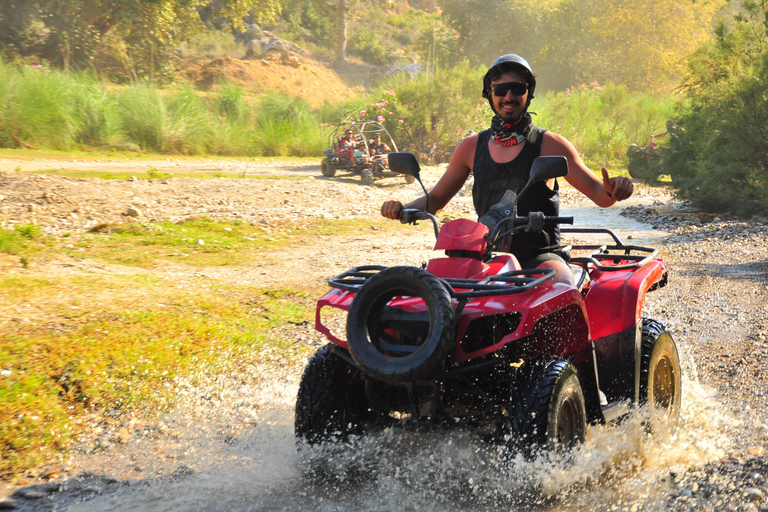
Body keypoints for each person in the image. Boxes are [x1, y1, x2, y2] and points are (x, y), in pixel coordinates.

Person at [380, 54, 633, 286]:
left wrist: (616, 189)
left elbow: (600, 195)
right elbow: (435, 200)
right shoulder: (470, 147)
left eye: (518, 89)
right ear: (490, 94)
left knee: (561, 288)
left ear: (528, 93)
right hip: (484, 254)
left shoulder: (549, 145)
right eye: (500, 89)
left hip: (539, 256)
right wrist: (403, 209)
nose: (509, 96)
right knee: (432, 292)